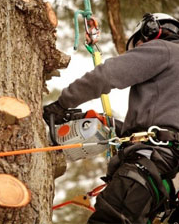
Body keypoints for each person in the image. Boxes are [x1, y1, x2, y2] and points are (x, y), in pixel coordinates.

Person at [43, 13, 179, 223]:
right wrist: (111, 125)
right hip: (165, 182)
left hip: (146, 167)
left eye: (139, 46)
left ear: (152, 31)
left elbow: (107, 75)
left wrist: (61, 104)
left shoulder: (165, 49)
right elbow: (166, 127)